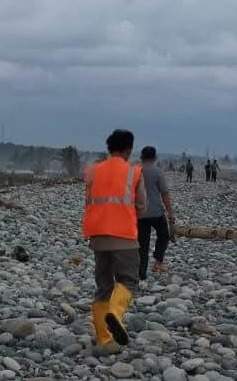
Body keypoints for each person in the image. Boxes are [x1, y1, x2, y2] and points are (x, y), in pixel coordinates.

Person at [83, 128, 146, 348]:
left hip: (98, 235)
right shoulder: (134, 172)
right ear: (128, 149)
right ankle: (115, 313)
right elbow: (141, 206)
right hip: (124, 235)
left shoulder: (92, 171)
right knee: (128, 279)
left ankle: (104, 340)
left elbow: (89, 201)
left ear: (109, 148)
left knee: (103, 285)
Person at [135, 146, 176, 280]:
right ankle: (158, 262)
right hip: (157, 212)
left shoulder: (136, 171)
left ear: (142, 157)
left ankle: (141, 272)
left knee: (143, 243)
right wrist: (170, 212)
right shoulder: (158, 172)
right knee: (164, 235)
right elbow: (164, 193)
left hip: (140, 213)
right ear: (154, 157)